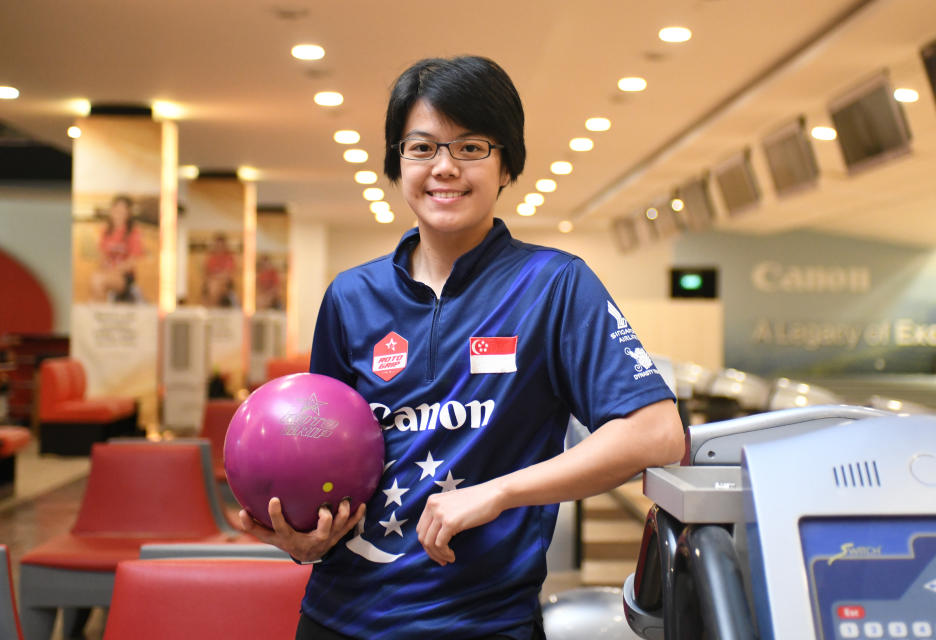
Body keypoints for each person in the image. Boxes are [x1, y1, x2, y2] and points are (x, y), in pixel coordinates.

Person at [239, 56, 684, 640]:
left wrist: (497, 493)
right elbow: (323, 454)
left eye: (470, 147)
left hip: (485, 622)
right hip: (340, 618)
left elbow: (657, 432)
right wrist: (306, 538)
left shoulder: (554, 285)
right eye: (421, 148)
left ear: (506, 166)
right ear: (397, 164)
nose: (444, 168)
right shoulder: (352, 297)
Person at [89, 195, 144, 303]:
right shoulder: (105, 231)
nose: (119, 212)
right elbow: (102, 257)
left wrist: (113, 272)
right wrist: (103, 269)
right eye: (117, 209)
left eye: (123, 210)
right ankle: (102, 309)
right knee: (96, 279)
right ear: (112, 210)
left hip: (125, 277)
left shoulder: (133, 232)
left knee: (98, 280)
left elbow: (131, 262)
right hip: (108, 274)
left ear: (128, 213)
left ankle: (130, 294)